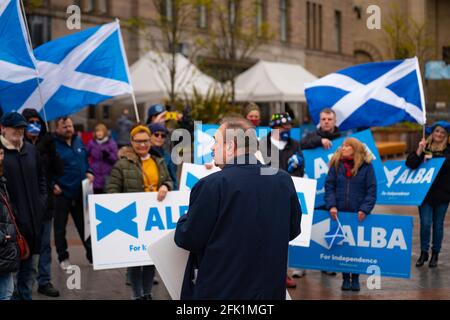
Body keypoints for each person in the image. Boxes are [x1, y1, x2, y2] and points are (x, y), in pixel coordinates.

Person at [175, 117, 301, 299]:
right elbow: (292, 230)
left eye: (215, 142)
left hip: (223, 292)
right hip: (269, 292)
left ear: (230, 146)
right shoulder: (282, 180)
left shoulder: (211, 185)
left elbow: (189, 238)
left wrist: (184, 220)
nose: (212, 148)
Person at [106, 124, 173, 300]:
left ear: (150, 141)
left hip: (153, 216)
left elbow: (168, 180)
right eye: (138, 141)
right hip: (133, 217)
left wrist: (166, 186)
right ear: (131, 142)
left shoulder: (158, 161)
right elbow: (111, 190)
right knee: (135, 260)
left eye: (145, 141)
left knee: (151, 258)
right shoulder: (122, 164)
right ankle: (137, 295)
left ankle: (147, 293)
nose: (142, 145)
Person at [0, 112, 47, 300]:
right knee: (10, 278)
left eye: (22, 128)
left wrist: (41, 203)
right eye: (15, 128)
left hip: (34, 224)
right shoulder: (2, 154)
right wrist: (13, 216)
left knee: (29, 274)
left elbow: (42, 177)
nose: (19, 131)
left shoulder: (30, 150)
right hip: (12, 228)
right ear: (3, 128)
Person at [325, 137, 377, 292]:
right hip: (340, 213)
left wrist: (364, 209)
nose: (343, 147)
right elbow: (329, 186)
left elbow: (372, 190)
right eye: (342, 145)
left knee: (356, 247)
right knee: (343, 246)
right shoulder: (336, 165)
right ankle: (345, 278)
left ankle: (355, 278)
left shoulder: (367, 167)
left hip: (358, 214)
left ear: (355, 149)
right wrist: (332, 205)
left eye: (347, 146)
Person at [22, 108, 63, 297]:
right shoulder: (19, 146)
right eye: (31, 122)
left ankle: (44, 281)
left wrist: (52, 150)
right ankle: (22, 282)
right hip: (24, 206)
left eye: (38, 122)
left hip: (45, 204)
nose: (35, 126)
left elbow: (56, 170)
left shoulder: (47, 143)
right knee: (25, 246)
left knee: (45, 245)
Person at [259, 112, 304, 287]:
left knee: (283, 235)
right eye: (284, 126)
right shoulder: (263, 144)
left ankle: (282, 273)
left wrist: (297, 167)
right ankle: (263, 273)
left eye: (289, 126)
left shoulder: (295, 144)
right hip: (266, 194)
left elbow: (301, 169)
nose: (288, 129)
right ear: (274, 127)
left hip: (287, 193)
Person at [300, 108, 342, 277]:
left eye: (329, 119)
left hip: (334, 194)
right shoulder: (311, 136)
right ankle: (301, 264)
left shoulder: (342, 139)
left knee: (329, 230)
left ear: (334, 121)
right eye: (323, 118)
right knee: (307, 229)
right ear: (320, 120)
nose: (326, 121)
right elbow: (302, 144)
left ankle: (326, 264)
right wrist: (320, 140)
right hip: (314, 192)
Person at [406, 121, 450, 268]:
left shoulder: (448, 150)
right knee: (425, 224)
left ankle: (435, 254)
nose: (439, 134)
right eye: (437, 131)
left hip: (443, 194)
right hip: (424, 194)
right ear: (432, 133)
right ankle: (423, 252)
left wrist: (436, 160)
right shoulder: (424, 148)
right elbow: (410, 164)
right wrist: (419, 150)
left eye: (442, 133)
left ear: (446, 136)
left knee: (438, 225)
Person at [53, 117, 93, 270]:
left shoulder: (78, 140)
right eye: (64, 127)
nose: (68, 129)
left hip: (79, 191)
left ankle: (92, 257)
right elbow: (45, 168)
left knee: (85, 227)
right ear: (57, 128)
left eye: (70, 126)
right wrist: (52, 185)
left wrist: (89, 171)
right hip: (61, 193)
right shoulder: (53, 145)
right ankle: (63, 258)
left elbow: (85, 161)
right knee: (60, 228)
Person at [0, 145, 20, 300]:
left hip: (5, 248)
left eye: (1, 153)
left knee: (8, 291)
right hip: (3, 245)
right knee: (6, 293)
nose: (1, 158)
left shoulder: (2, 181)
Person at [86, 123, 118, 194]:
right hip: (95, 175)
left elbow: (115, 160)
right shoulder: (91, 143)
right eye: (97, 131)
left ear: (105, 132)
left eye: (101, 131)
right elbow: (85, 156)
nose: (99, 133)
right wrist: (88, 170)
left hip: (107, 175)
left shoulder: (111, 143)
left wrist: (108, 155)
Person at [148, 123, 178, 190]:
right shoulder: (142, 154)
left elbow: (174, 180)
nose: (159, 137)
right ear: (149, 136)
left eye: (163, 135)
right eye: (156, 134)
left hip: (163, 196)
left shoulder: (167, 156)